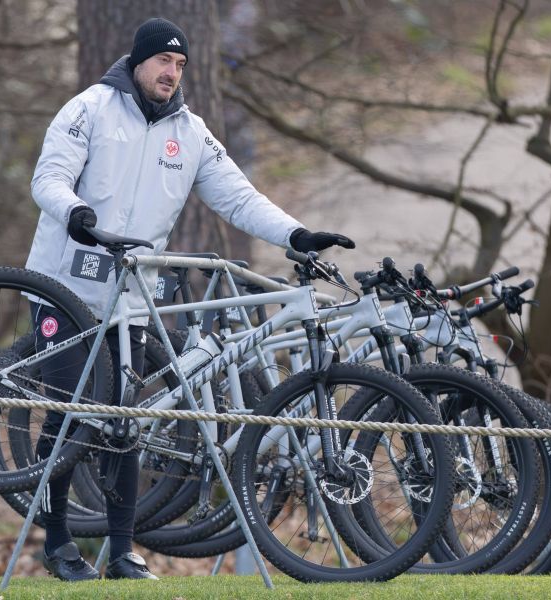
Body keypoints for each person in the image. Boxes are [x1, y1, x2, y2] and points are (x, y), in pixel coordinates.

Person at [25, 16, 355, 582]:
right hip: (66, 284)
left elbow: (239, 198)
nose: (172, 74)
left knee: (124, 420)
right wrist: (77, 213)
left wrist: (297, 235)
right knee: (71, 413)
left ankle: (123, 552)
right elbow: (47, 178)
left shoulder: (191, 132)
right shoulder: (89, 108)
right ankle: (57, 543)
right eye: (163, 62)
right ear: (138, 61)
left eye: (180, 66)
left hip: (130, 295)